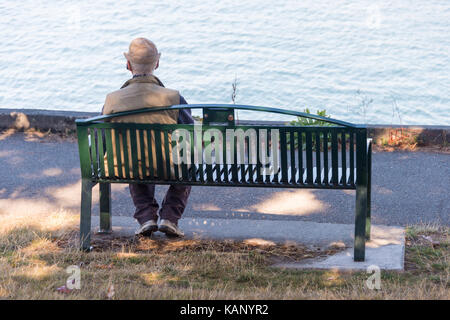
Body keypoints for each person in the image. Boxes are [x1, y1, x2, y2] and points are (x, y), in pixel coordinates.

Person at [102, 37, 193, 238]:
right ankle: (169, 217)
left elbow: (103, 136)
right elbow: (190, 133)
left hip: (126, 167)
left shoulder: (113, 99)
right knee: (186, 163)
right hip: (168, 166)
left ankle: (146, 218)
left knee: (133, 159)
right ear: (157, 64)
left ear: (128, 65)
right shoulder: (173, 98)